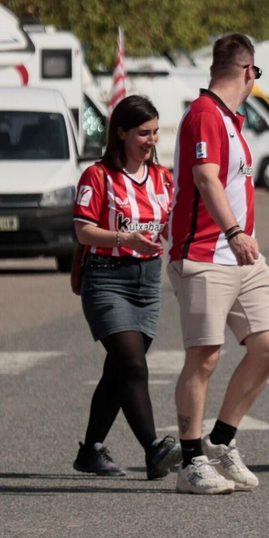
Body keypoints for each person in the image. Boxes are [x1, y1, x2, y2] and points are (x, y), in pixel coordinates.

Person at [167, 33, 269, 495]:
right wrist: (234, 232)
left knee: (268, 346)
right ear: (248, 71)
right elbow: (204, 178)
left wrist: (242, 239)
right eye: (256, 73)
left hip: (241, 254)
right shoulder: (203, 115)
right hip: (204, 253)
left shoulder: (231, 121)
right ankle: (191, 462)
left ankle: (221, 441)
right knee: (205, 356)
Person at [70, 95, 183, 480]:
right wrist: (124, 239)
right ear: (120, 133)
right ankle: (154, 450)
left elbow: (174, 225)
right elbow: (82, 229)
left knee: (119, 371)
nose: (151, 140)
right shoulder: (98, 176)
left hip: (147, 282)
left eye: (154, 132)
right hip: (105, 277)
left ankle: (90, 451)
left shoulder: (164, 178)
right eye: (142, 133)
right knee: (133, 364)